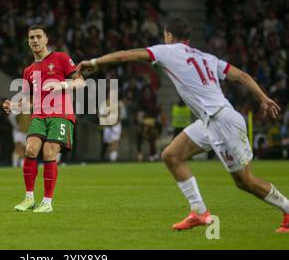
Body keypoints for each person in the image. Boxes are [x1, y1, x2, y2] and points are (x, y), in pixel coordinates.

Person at [77, 18, 288, 233]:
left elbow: (126, 55)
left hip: (222, 122)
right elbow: (242, 76)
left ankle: (288, 210)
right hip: (212, 120)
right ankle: (199, 211)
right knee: (171, 155)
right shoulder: (207, 57)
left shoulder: (167, 51)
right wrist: (263, 97)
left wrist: (94, 63)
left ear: (168, 35)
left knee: (245, 182)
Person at [3, 24, 85, 213]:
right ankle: (29, 198)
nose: (35, 40)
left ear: (46, 39)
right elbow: (28, 102)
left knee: (49, 153)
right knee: (30, 150)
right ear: (28, 42)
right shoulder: (28, 70)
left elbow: (80, 82)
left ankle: (47, 202)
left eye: (39, 36)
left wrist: (61, 85)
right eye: (31, 38)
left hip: (61, 114)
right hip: (39, 115)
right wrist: (13, 106)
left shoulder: (61, 58)